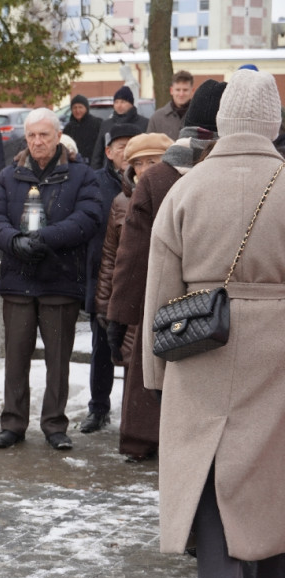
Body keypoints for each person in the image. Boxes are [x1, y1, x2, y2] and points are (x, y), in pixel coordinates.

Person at [141, 68, 285, 578]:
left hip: (202, 350)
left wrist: (155, 373)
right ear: (275, 121)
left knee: (213, 502)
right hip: (279, 355)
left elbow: (159, 293)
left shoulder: (185, 189)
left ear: (222, 121)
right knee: (275, 486)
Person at [106, 79, 227, 462]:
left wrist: (120, 316)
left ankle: (142, 442)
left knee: (151, 372)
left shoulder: (158, 177)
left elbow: (134, 253)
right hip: (220, 304)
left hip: (160, 300)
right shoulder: (235, 174)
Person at [0, 108, 102, 451]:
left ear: (58, 135)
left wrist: (46, 237)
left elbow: (90, 217)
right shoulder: (10, 175)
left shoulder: (81, 175)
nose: (37, 141)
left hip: (59, 281)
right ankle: (13, 423)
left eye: (44, 135)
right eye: (32, 135)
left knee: (58, 361)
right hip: (18, 281)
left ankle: (54, 425)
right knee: (15, 359)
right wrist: (13, 241)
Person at [94, 132, 172, 462]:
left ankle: (164, 438)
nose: (143, 169)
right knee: (135, 373)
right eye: (137, 162)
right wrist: (106, 304)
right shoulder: (121, 202)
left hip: (166, 295)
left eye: (151, 162)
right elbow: (113, 257)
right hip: (132, 298)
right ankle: (140, 439)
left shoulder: (176, 194)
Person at [81, 123, 141, 435]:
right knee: (101, 347)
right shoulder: (95, 183)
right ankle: (98, 408)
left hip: (138, 280)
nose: (126, 152)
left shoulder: (149, 181)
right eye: (120, 147)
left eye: (132, 145)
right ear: (108, 152)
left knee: (136, 352)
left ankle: (134, 415)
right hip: (103, 278)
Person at [91, 86, 150, 169]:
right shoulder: (106, 124)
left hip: (137, 170)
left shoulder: (144, 123)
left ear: (131, 103)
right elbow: (98, 153)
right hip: (110, 172)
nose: (119, 105)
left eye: (123, 102)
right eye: (116, 102)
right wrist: (96, 173)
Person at [147, 71, 193, 139]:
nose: (181, 94)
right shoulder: (157, 118)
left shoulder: (200, 117)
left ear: (192, 91)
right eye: (178, 90)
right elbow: (149, 145)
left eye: (185, 90)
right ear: (171, 90)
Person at [63, 94, 102, 167]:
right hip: (75, 166)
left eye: (80, 107)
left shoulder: (97, 124)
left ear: (86, 108)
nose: (77, 110)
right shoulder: (68, 128)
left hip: (93, 165)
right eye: (74, 107)